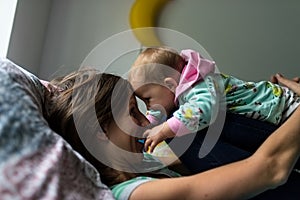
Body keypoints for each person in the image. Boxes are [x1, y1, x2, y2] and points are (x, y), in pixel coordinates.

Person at [1, 59, 299, 199]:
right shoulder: (132, 193)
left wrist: (278, 99)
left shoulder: (148, 162)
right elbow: (270, 169)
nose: (146, 124)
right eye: (133, 112)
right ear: (100, 133)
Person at [128, 47, 300, 153]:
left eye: (147, 99)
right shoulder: (177, 91)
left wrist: (164, 129)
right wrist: (150, 125)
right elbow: (159, 109)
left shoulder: (200, 85)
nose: (148, 106)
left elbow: (203, 108)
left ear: (170, 84)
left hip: (283, 106)